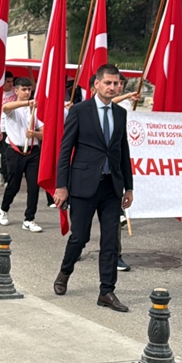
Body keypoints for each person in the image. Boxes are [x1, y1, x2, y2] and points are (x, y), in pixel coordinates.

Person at [53, 64, 134, 312]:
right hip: (83, 185)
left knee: (110, 241)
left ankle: (107, 291)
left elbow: (123, 151)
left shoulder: (120, 113)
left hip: (111, 187)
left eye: (116, 83)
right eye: (108, 83)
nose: (112, 87)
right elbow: (66, 150)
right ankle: (65, 272)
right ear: (96, 84)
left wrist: (128, 187)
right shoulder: (79, 111)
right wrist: (61, 186)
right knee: (81, 237)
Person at [0, 77, 44, 232]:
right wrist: (27, 103)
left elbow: (44, 133)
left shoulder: (36, 109)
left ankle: (29, 218)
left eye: (29, 89)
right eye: (23, 89)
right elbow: (6, 107)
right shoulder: (13, 108)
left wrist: (35, 134)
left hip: (33, 151)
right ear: (16, 91)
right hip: (15, 151)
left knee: (34, 186)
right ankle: (4, 208)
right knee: (14, 185)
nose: (27, 92)